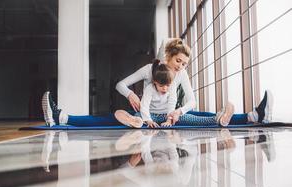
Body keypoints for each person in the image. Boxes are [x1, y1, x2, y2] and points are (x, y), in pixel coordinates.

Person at [41, 38, 273, 127]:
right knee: (110, 117)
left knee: (204, 115)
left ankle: (254, 116)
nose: (182, 67)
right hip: (147, 113)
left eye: (184, 63)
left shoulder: (181, 75)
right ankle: (62, 117)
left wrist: (178, 112)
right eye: (178, 61)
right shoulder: (149, 70)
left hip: (171, 115)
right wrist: (131, 95)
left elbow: (191, 100)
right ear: (168, 57)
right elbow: (120, 85)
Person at [114, 59, 234, 128]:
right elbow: (144, 105)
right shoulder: (150, 88)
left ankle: (219, 119)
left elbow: (172, 102)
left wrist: (170, 119)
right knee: (138, 114)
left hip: (167, 115)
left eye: (168, 85)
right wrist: (148, 120)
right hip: (151, 115)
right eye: (161, 86)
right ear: (155, 82)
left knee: (191, 118)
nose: (165, 89)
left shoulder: (171, 87)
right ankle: (136, 121)